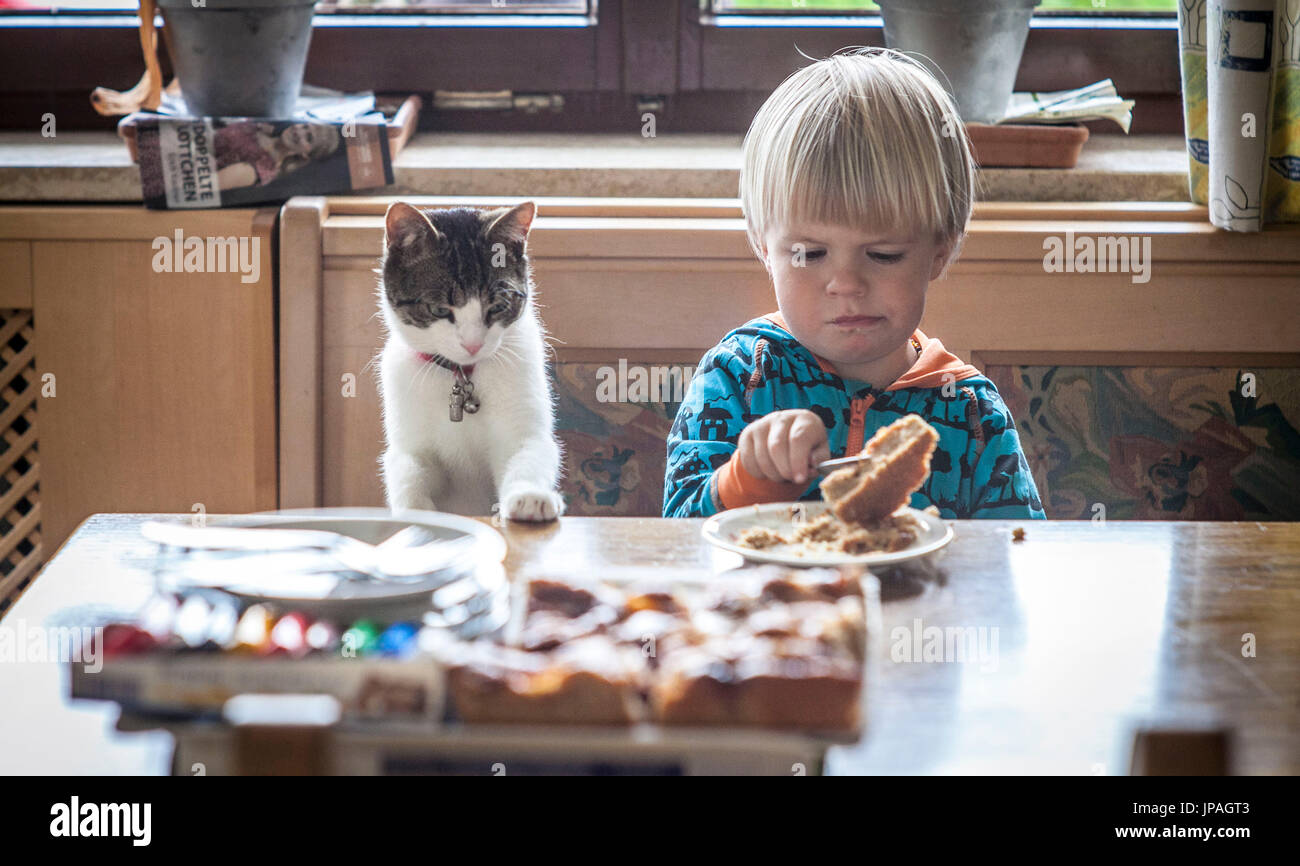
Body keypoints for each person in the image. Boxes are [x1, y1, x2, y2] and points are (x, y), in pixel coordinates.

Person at [663, 47, 1045, 520]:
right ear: (766, 248)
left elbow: (1015, 561)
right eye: (811, 253)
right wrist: (751, 479)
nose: (846, 284)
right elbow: (679, 535)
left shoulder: (974, 415)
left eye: (884, 255)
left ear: (939, 251)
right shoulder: (739, 377)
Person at [215, 121, 340, 191]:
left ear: (305, 155)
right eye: (304, 126)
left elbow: (210, 184)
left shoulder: (264, 167)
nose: (299, 132)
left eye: (308, 137)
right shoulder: (263, 126)